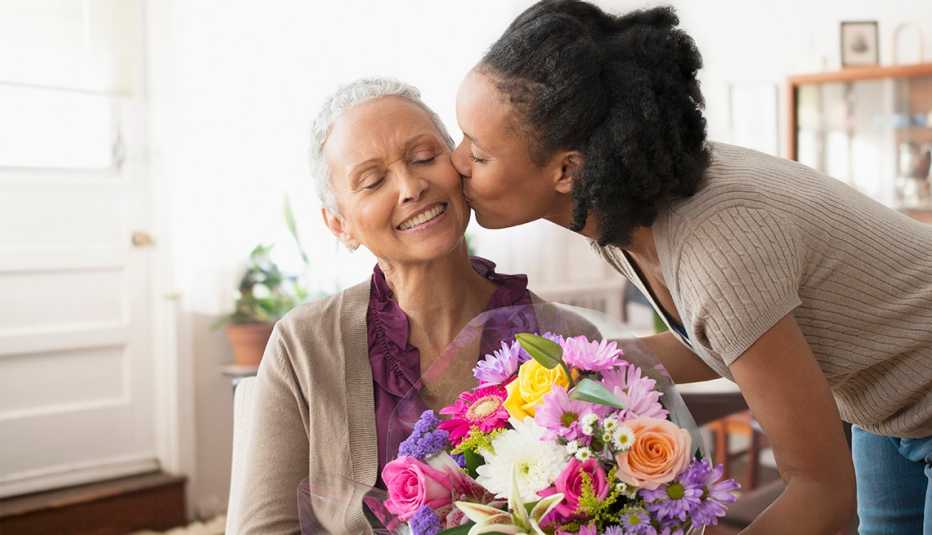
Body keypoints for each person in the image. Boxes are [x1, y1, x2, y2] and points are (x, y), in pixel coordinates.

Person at [450, 1, 932, 533]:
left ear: (567, 170)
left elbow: (823, 490)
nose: (456, 162)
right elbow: (730, 334)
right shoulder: (620, 206)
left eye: (479, 152)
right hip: (887, 411)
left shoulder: (714, 246)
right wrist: (567, 370)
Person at [229, 78, 534, 534]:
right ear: (340, 224)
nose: (411, 187)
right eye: (373, 181)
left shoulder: (551, 336)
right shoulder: (304, 344)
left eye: (425, 158)